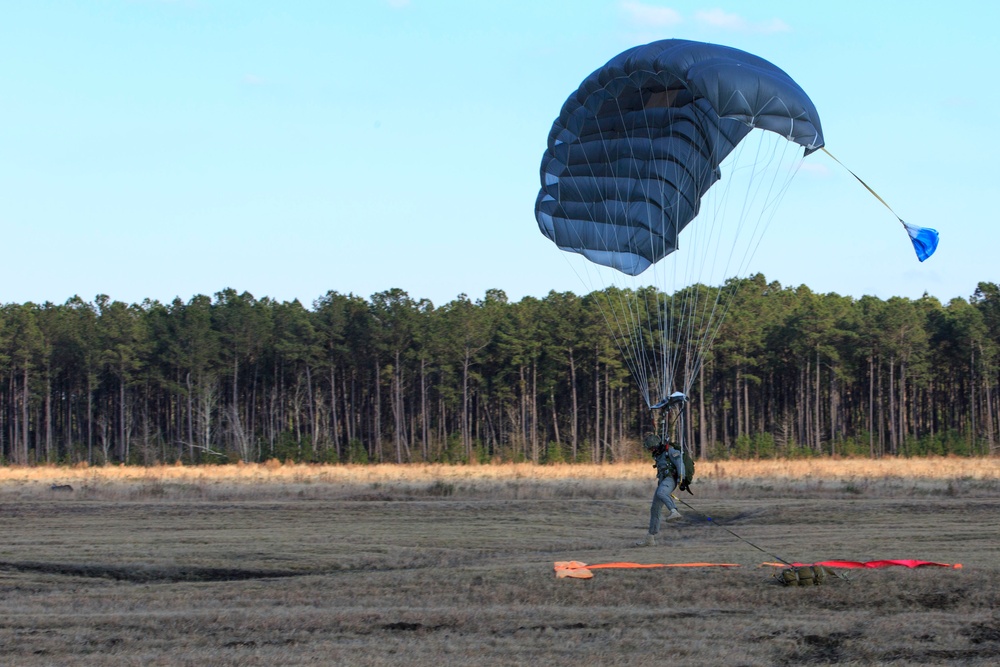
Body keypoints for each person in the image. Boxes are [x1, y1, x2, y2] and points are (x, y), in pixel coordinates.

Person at [635, 434, 684, 546]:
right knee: (655, 509)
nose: (650, 450)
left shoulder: (670, 451)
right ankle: (650, 538)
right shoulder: (658, 454)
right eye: (649, 448)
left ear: (656, 446)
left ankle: (674, 511)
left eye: (651, 448)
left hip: (670, 479)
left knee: (661, 493)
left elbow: (680, 464)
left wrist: (682, 480)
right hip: (663, 481)